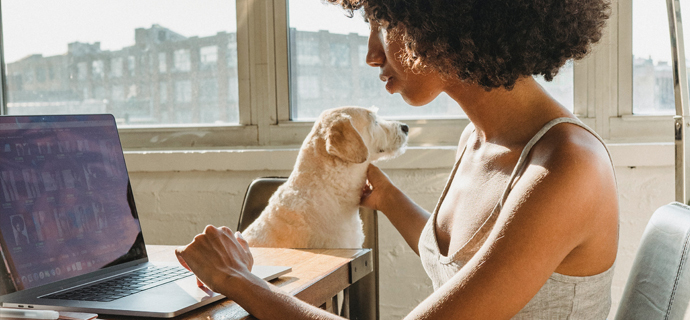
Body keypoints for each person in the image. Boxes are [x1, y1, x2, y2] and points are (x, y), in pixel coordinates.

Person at [175, 0, 617, 318]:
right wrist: (387, 198)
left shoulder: (566, 168)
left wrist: (236, 278)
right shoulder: (477, 139)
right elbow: (468, 262)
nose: (372, 53)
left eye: (383, 22)